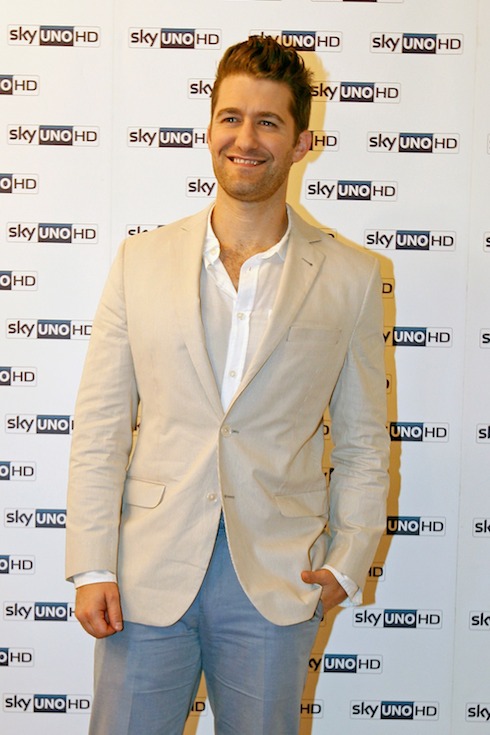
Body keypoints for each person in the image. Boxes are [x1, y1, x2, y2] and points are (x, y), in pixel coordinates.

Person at [66, 35, 390, 735]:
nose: (246, 139)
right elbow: (100, 426)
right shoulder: (139, 261)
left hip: (276, 578)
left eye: (268, 122)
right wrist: (91, 564)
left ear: (302, 142)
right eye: (231, 118)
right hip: (145, 573)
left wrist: (347, 560)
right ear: (209, 128)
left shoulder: (353, 278)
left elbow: (364, 441)